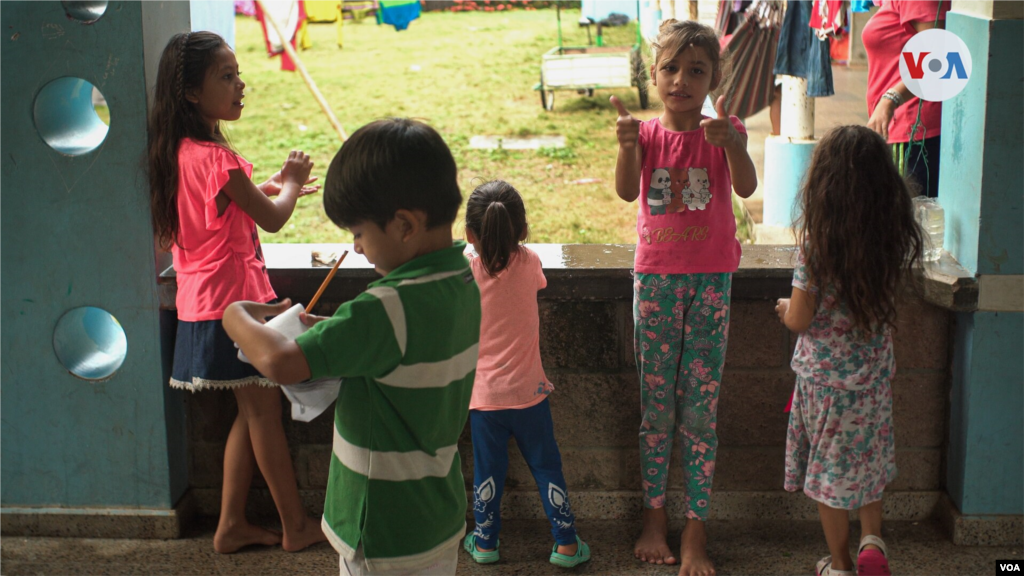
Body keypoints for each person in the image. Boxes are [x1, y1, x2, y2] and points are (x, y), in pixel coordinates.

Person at [222, 118, 479, 576]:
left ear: (404, 225)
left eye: (359, 234)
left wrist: (234, 315)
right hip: (436, 518)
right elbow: (403, 347)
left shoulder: (384, 307)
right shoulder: (460, 281)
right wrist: (333, 327)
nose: (357, 249)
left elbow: (280, 362)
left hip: (379, 528)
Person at [147, 31, 324, 554]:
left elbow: (223, 206)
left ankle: (230, 525)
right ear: (192, 94)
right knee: (264, 413)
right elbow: (270, 219)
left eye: (237, 72)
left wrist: (263, 184)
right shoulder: (216, 158)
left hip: (201, 306)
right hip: (236, 308)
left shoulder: (178, 152)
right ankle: (294, 525)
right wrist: (290, 181)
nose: (240, 84)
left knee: (252, 416)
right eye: (226, 76)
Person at [612, 19, 757, 576]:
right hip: (656, 282)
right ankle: (655, 516)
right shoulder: (645, 135)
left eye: (696, 70)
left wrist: (736, 144)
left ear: (713, 77)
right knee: (657, 410)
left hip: (712, 283)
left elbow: (744, 187)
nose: (681, 80)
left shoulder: (725, 129)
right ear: (654, 74)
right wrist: (627, 147)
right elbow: (628, 191)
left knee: (699, 411)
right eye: (670, 68)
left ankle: (696, 526)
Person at [774, 125, 924, 576]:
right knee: (868, 465)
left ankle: (839, 564)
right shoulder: (888, 244)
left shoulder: (816, 250)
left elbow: (801, 318)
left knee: (830, 481)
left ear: (823, 187)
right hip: (874, 381)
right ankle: (872, 543)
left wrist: (784, 308)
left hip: (827, 388)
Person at [460, 180, 591, 568]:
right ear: (521, 230)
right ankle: (566, 543)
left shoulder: (464, 274)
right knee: (546, 466)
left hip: (483, 398)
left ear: (469, 233)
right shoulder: (530, 263)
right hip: (530, 393)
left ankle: (485, 543)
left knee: (488, 472)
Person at [862, 0, 951, 198]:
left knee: (909, 219)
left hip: (913, 131)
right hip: (896, 127)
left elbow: (937, 60)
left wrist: (890, 99)